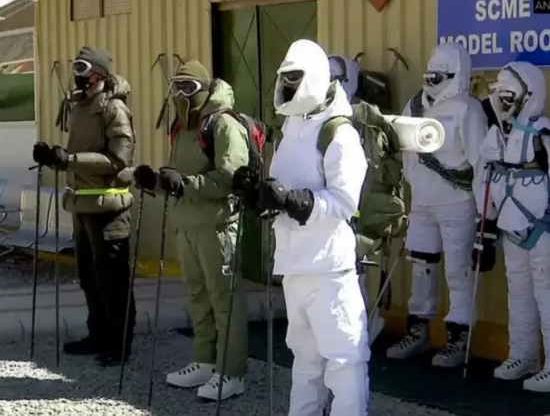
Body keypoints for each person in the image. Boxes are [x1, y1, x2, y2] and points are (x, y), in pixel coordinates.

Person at [236, 39, 369, 416]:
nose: (288, 86)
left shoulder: (339, 133)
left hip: (329, 269)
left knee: (344, 359)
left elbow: (345, 202)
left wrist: (297, 201)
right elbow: (282, 191)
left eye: (295, 79)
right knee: (306, 358)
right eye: (285, 78)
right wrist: (260, 197)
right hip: (294, 265)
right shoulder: (291, 129)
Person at [132, 60, 248, 401]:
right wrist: (156, 182)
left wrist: (185, 184)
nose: (182, 94)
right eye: (176, 87)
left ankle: (232, 372)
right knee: (198, 298)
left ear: (205, 90)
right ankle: (205, 360)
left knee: (224, 301)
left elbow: (231, 178)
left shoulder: (223, 124)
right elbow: (178, 179)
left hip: (217, 227)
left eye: (189, 87)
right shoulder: (182, 128)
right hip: (186, 224)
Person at [385, 43, 491, 368]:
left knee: (458, 271)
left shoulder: (468, 110)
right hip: (422, 202)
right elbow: (404, 148)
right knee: (421, 265)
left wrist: (485, 216)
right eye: (430, 74)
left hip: (457, 203)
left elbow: (481, 163)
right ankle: (418, 331)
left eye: (439, 75)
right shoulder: (414, 105)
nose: (432, 81)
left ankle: (458, 337)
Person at [32, 46, 136, 366]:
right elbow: (75, 156)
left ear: (98, 73)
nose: (76, 74)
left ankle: (119, 345)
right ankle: (98, 335)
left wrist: (71, 160)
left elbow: (119, 159)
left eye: (82, 68)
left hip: (108, 208)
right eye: (75, 67)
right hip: (82, 205)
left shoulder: (113, 108)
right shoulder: (80, 106)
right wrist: (54, 157)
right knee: (89, 277)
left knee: (113, 280)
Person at [478, 61, 550, 392]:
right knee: (518, 296)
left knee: (547, 297)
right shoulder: (495, 136)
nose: (502, 102)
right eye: (500, 95)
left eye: (509, 96)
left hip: (542, 231)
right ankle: (522, 355)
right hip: (510, 229)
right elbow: (483, 178)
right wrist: (484, 223)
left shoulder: (542, 134)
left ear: (528, 95)